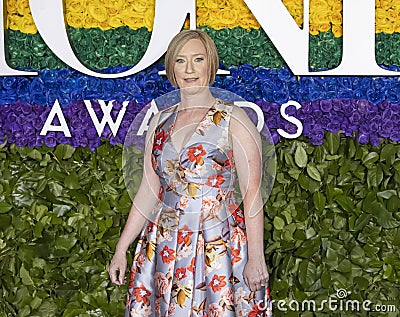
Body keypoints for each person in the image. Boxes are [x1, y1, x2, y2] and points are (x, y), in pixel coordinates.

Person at [108, 29, 273, 316]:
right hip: (163, 242)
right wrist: (121, 248)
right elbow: (150, 190)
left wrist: (256, 255)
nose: (189, 69)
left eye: (198, 59)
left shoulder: (234, 119)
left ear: (211, 64)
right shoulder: (160, 120)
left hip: (218, 243)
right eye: (180, 61)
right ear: (171, 68)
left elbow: (252, 192)